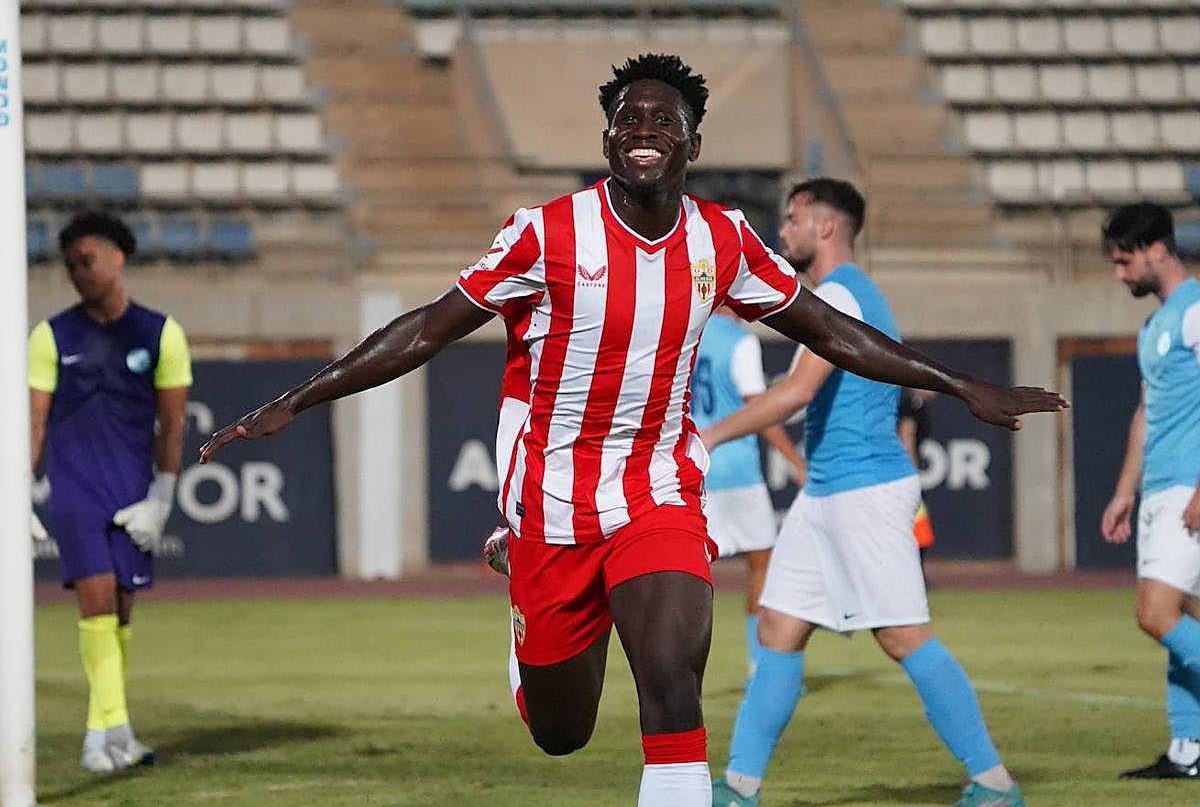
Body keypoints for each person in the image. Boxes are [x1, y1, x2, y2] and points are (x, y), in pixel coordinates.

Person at [197, 55, 1065, 806]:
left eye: (664, 119)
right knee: (563, 733)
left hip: (659, 487)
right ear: (608, 139)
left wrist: (956, 383)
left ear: (693, 143)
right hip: (554, 500)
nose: (643, 129)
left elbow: (828, 330)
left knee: (673, 675)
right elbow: (426, 327)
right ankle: (529, 646)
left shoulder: (722, 241)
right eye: (627, 118)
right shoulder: (545, 233)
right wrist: (299, 399)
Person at [703, 178, 1027, 807]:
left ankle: (994, 784)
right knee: (777, 625)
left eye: (793, 219)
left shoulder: (843, 294)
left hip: (865, 490)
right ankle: (738, 788)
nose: (784, 231)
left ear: (825, 227)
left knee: (903, 636)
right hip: (826, 491)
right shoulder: (844, 294)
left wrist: (709, 436)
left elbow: (796, 393)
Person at [29, 210, 192, 773]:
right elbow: (35, 423)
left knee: (121, 612)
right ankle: (113, 732)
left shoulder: (161, 333)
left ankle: (104, 736)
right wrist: (23, 490)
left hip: (134, 491)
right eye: (71, 265)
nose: (79, 273)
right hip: (76, 491)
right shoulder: (50, 336)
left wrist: (163, 498)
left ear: (117, 258)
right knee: (96, 603)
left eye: (87, 260)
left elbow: (173, 424)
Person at [1099, 202, 1200, 780]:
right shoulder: (1154, 325)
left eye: (1123, 261)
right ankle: (1189, 751)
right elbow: (1146, 412)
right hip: (1161, 487)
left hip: (1189, 487)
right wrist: (1123, 491)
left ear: (1157, 249)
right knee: (1185, 618)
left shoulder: (1194, 312)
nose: (1119, 274)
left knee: (1155, 614)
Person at [691, 306, 806, 678]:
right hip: (737, 471)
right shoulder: (741, 342)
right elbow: (758, 409)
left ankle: (679, 664)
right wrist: (795, 461)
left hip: (695, 468)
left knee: (687, 574)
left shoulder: (690, 334)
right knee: (762, 569)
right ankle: (761, 667)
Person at [899, 388, 937, 569]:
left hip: (903, 473)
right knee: (914, 522)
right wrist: (911, 470)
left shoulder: (917, 405)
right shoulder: (914, 404)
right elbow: (907, 432)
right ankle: (914, 569)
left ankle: (916, 568)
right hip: (904, 474)